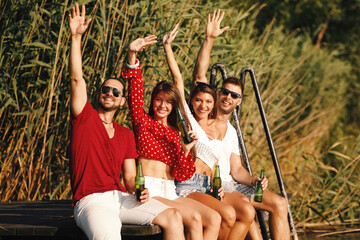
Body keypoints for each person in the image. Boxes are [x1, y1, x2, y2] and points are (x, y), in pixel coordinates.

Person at [68, 3, 185, 240]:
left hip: (120, 197)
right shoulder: (84, 119)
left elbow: (130, 178)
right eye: (106, 89)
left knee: (173, 216)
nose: (110, 93)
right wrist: (76, 37)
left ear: (122, 101)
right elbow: (76, 78)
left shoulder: (125, 134)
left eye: (116, 92)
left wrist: (139, 191)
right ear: (99, 94)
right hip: (91, 201)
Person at [193, 8, 291, 240]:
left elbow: (237, 170)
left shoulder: (232, 132)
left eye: (234, 95)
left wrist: (254, 179)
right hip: (216, 186)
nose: (228, 97)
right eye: (225, 92)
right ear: (218, 95)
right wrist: (209, 39)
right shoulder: (203, 118)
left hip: (235, 185)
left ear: (239, 102)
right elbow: (199, 76)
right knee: (247, 210)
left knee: (279, 203)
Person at [121, 35, 221, 240]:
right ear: (153, 101)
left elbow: (182, 174)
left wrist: (185, 149)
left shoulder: (176, 133)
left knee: (213, 218)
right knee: (193, 217)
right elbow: (135, 90)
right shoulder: (143, 122)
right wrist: (132, 56)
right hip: (149, 189)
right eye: (159, 100)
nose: (162, 105)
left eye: (168, 102)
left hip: (170, 190)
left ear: (173, 106)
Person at [163, 21, 257, 240]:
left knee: (245, 212)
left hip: (210, 185)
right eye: (198, 100)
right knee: (226, 214)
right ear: (191, 102)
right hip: (190, 184)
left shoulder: (219, 127)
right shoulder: (188, 120)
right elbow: (179, 80)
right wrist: (168, 47)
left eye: (207, 101)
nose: (203, 105)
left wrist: (219, 186)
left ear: (213, 104)